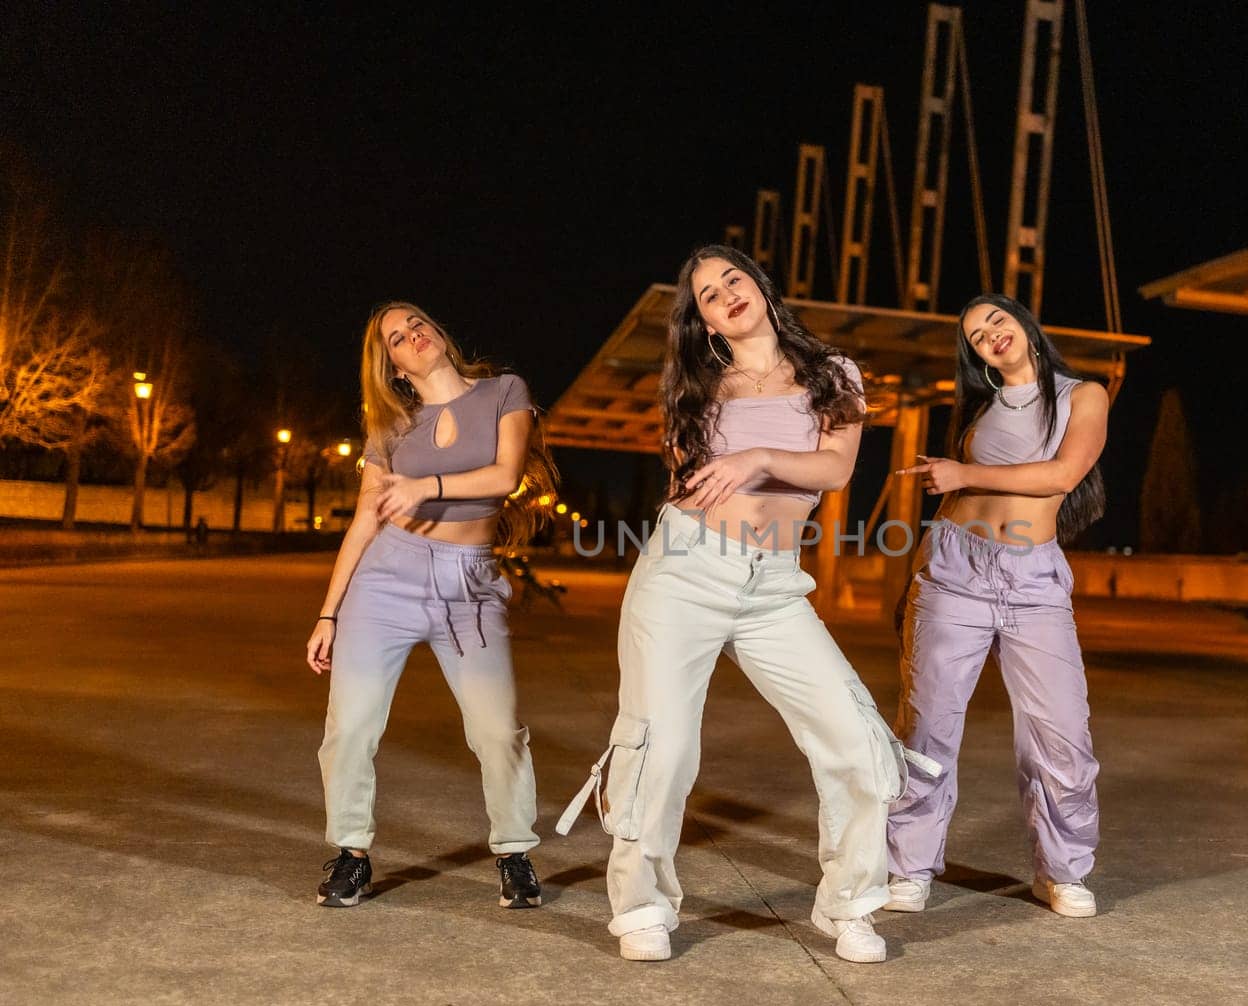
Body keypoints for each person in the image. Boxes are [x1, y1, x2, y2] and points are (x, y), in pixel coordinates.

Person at [558, 245, 934, 963]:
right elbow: (684, 480)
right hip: (684, 572)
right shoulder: (699, 387)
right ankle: (641, 906)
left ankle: (849, 901)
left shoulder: (834, 373)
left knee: (855, 738)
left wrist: (755, 458)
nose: (724, 292)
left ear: (760, 285)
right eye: (705, 294)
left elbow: (834, 466)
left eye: (733, 278)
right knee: (659, 745)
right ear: (701, 322)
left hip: (774, 587)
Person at [305, 301, 556, 910]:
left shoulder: (503, 391)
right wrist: (328, 611)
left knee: (497, 730)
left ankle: (514, 852)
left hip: (467, 584)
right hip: (386, 577)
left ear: (438, 330)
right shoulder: (390, 427)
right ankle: (351, 853)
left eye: (417, 323)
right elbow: (367, 516)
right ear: (390, 365)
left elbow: (504, 475)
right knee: (352, 727)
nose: (412, 335)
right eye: (397, 337)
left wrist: (424, 486)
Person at [885, 292, 1108, 919]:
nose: (989, 335)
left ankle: (1061, 871)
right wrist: (953, 485)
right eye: (977, 335)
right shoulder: (980, 411)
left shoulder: (1082, 395)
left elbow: (1062, 475)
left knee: (1061, 732)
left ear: (1025, 325)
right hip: (952, 569)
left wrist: (963, 474)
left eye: (996, 321)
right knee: (927, 726)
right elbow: (957, 492)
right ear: (975, 356)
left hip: (1033, 581)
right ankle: (908, 864)